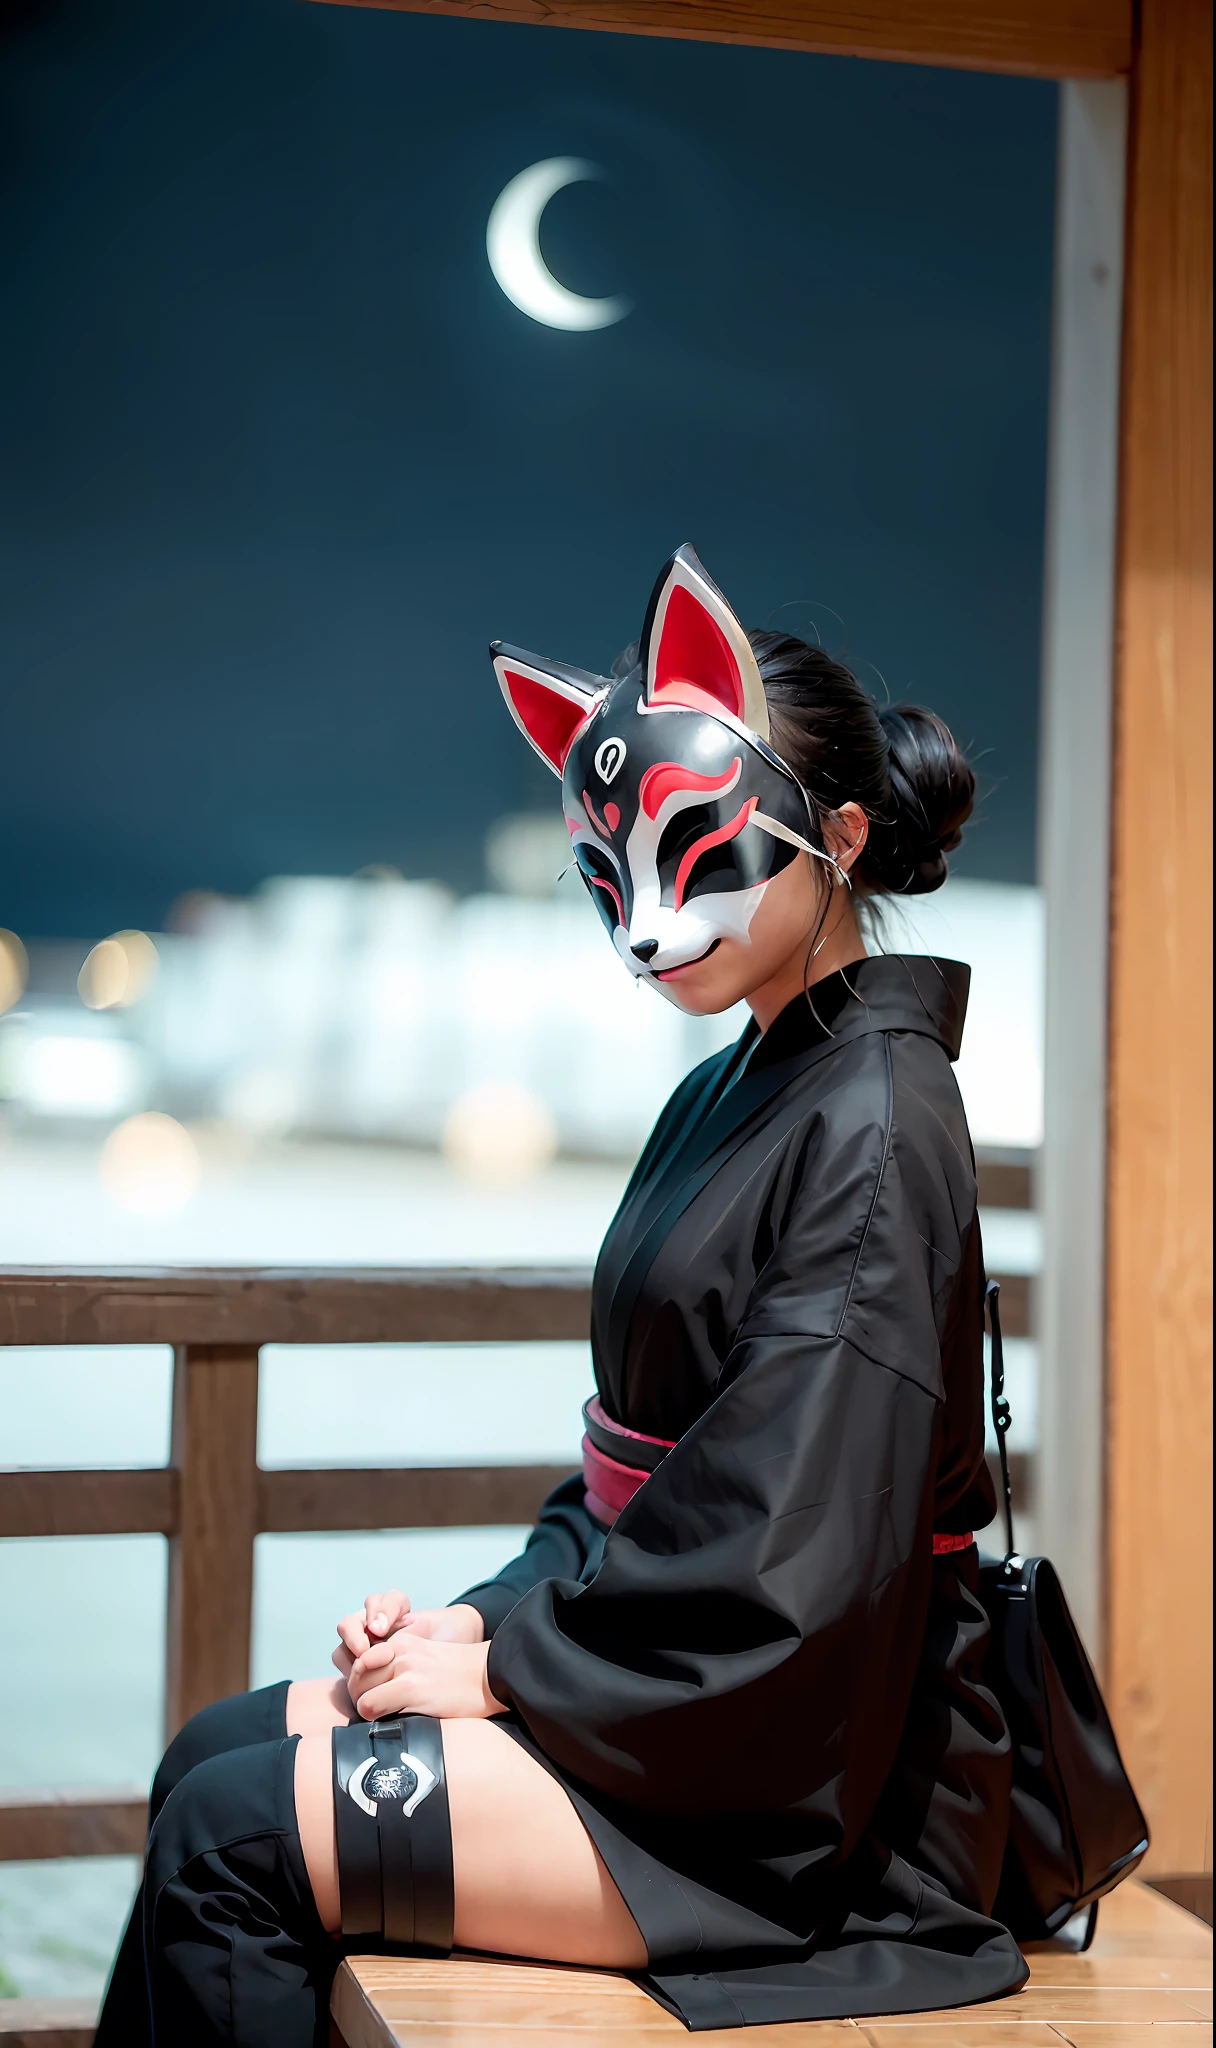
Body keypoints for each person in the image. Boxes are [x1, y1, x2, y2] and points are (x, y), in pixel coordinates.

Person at [96, 546, 1028, 2044]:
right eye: (614, 879)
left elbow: (788, 1558)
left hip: (804, 1801)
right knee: (212, 1752)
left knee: (232, 1842)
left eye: (702, 860)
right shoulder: (736, 1086)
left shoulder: (878, 1125)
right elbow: (646, 1482)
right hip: (683, 1698)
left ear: (841, 835)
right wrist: (477, 1624)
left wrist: (501, 1665)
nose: (648, 929)